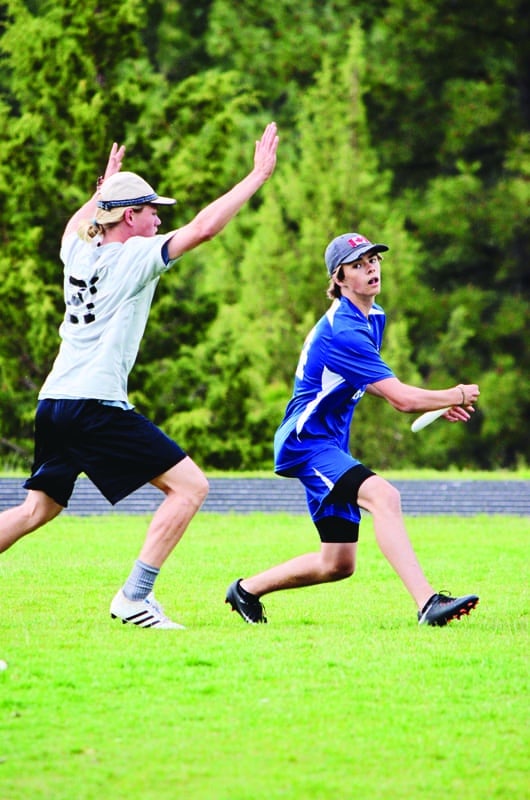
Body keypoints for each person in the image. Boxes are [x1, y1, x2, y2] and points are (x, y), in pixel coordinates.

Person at [1, 122, 279, 629]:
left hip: (55, 400)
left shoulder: (78, 252)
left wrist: (101, 192)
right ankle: (134, 597)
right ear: (130, 215)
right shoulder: (133, 256)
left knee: (35, 511)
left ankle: (134, 598)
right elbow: (204, 228)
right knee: (191, 488)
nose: (158, 218)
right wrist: (256, 177)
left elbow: (76, 225)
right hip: (93, 403)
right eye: (153, 210)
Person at [226, 232, 480, 627]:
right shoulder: (343, 330)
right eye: (359, 264)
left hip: (326, 443)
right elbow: (401, 399)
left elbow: (375, 385)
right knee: (385, 497)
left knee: (337, 563)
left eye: (374, 260)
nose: (371, 268)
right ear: (339, 279)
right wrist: (455, 393)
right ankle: (428, 603)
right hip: (307, 443)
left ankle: (245, 591)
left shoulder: (372, 317)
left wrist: (439, 402)